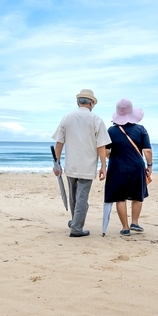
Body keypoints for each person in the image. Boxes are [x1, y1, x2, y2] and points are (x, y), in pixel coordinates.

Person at [53, 89, 111, 237]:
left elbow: (59, 143)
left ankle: (75, 222)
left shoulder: (67, 118)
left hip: (71, 164)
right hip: (87, 165)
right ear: (91, 102)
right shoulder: (96, 119)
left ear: (78, 102)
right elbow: (101, 146)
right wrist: (103, 166)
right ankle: (77, 228)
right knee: (81, 198)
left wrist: (56, 162)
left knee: (74, 197)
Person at [104, 98, 152, 236]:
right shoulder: (141, 129)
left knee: (120, 197)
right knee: (138, 195)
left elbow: (106, 151)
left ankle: (125, 228)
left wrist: (113, 156)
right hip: (136, 166)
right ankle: (135, 222)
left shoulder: (111, 131)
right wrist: (150, 165)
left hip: (117, 167)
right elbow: (147, 151)